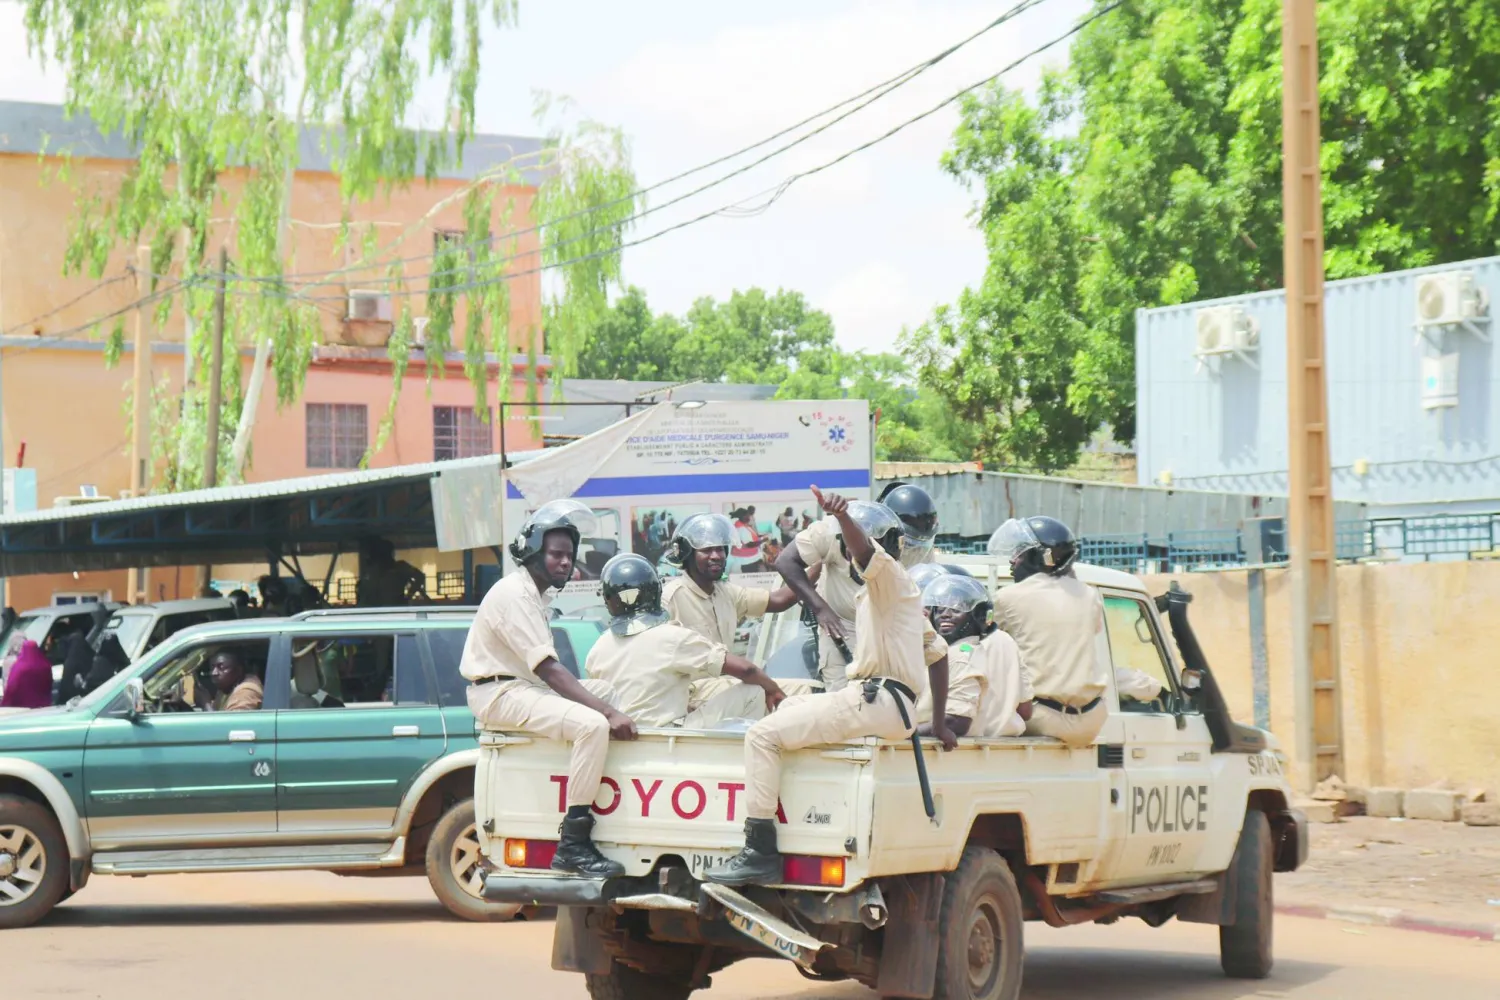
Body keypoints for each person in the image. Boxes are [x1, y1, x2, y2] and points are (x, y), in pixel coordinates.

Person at [707, 488, 956, 887]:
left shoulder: (888, 575)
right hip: (889, 704)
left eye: (856, 546)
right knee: (787, 713)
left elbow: (865, 551)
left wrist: (842, 517)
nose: (849, 552)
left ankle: (759, 850)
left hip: (876, 698)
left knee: (760, 736)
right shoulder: (891, 594)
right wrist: (939, 724)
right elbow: (938, 653)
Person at [460, 499, 636, 878]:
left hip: (519, 686)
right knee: (593, 724)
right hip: (500, 693)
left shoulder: (534, 594)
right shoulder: (516, 595)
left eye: (569, 556)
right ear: (534, 551)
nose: (565, 562)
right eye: (556, 554)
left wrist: (605, 704)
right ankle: (573, 843)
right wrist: (606, 714)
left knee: (604, 691)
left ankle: (591, 783)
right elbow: (550, 670)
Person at [587, 554, 786, 728]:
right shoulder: (672, 636)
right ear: (656, 591)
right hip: (670, 735)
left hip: (628, 736)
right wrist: (772, 689)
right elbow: (746, 670)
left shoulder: (597, 648)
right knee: (755, 689)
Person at [989, 516, 1110, 747]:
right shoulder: (1089, 595)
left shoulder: (1008, 597)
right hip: (1092, 719)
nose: (1013, 561)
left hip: (1041, 717)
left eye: (1019, 553)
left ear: (1041, 557)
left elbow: (983, 644)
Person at [914, 574, 1031, 739]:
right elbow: (1026, 710)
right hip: (1003, 742)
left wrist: (907, 734)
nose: (945, 615)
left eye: (956, 609)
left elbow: (957, 721)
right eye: (940, 609)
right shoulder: (1003, 641)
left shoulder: (955, 655)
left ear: (977, 616)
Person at [879, 482, 942, 568]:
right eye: (909, 544)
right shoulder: (874, 541)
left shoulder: (923, 545)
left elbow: (927, 570)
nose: (914, 548)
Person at [1, 640, 53, 709]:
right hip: (43, 706)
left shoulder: (19, 667)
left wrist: (5, 702)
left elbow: (12, 686)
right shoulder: (46, 665)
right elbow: (49, 683)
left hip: (23, 707)